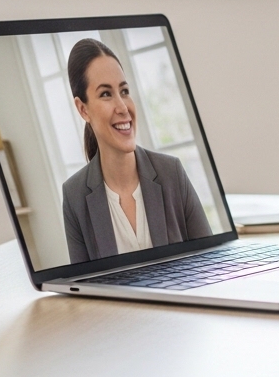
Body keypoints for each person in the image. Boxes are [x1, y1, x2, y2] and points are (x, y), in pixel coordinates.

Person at [61, 38, 212, 264]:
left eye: (124, 91)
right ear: (83, 109)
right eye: (105, 94)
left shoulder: (172, 173)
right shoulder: (75, 196)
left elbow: (212, 262)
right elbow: (86, 289)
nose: (123, 107)